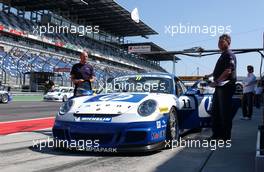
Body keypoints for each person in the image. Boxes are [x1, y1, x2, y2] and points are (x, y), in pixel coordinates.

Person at [205, 34, 237, 141]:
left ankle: (225, 136)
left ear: (228, 42)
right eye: (218, 41)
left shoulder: (229, 54)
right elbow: (217, 71)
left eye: (222, 41)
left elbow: (228, 70)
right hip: (220, 87)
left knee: (224, 113)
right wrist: (209, 76)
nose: (219, 43)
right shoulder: (223, 55)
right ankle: (216, 135)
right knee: (216, 111)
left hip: (226, 86)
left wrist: (217, 81)